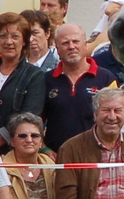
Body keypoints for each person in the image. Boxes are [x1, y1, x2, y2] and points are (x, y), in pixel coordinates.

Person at [41, 22, 113, 151]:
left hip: (95, 157)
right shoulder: (45, 80)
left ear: (85, 45)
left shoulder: (106, 79)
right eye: (65, 43)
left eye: (76, 41)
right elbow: (35, 121)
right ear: (56, 48)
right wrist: (44, 149)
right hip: (57, 158)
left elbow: (115, 119)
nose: (71, 47)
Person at [0, 12, 46, 144]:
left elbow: (29, 115)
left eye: (15, 36)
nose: (8, 42)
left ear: (24, 41)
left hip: (12, 149)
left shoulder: (34, 75)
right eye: (3, 36)